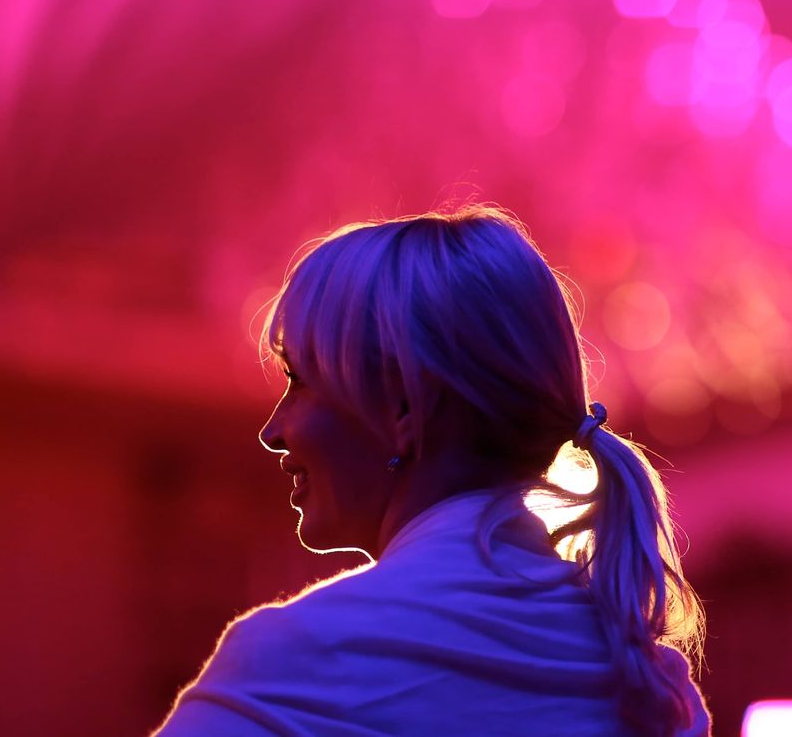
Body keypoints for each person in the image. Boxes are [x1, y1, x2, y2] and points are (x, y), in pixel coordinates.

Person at [153, 203, 710, 736]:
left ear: (403, 410)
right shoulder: (653, 688)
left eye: (300, 382)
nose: (271, 431)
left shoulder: (298, 663)